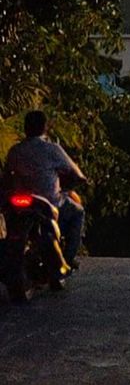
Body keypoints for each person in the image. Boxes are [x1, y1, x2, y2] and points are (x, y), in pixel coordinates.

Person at [2, 110, 86, 268]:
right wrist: (73, 182)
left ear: (25, 128)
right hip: (49, 201)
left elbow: (7, 176)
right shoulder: (52, 149)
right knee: (78, 212)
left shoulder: (15, 151)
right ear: (44, 127)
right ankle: (67, 259)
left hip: (19, 201)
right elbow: (77, 175)